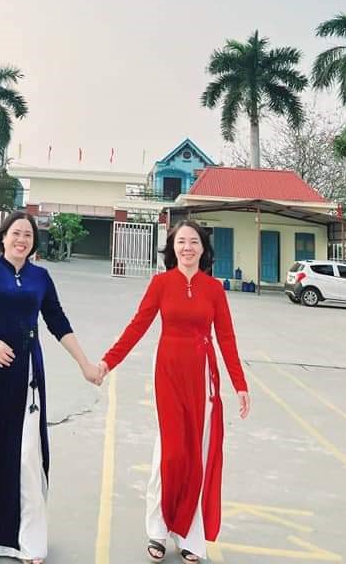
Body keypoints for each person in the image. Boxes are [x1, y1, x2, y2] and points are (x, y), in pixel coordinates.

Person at [0, 210, 101, 564]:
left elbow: (58, 322)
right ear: (3, 237)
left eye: (28, 235)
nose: (21, 240)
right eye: (16, 233)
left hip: (27, 373)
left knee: (26, 454)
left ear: (34, 243)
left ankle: (27, 540)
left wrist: (85, 364)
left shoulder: (40, 277)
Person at [98, 220, 250, 563]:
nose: (187, 247)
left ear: (203, 249)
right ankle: (158, 529)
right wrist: (108, 362)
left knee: (197, 453)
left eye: (194, 241)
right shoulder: (161, 284)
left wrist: (240, 384)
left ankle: (189, 536)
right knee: (170, 453)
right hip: (168, 373)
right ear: (172, 248)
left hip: (202, 377)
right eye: (181, 241)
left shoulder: (214, 289)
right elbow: (137, 326)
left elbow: (226, 338)